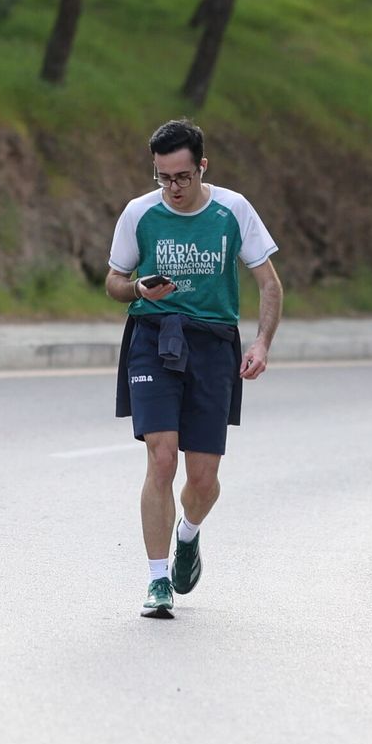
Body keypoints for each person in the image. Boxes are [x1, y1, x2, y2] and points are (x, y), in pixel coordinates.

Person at [105, 119, 283, 619]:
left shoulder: (234, 210)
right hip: (154, 337)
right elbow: (115, 280)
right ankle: (157, 580)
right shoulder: (139, 213)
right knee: (162, 459)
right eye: (163, 177)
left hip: (212, 344)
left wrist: (262, 343)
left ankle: (189, 534)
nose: (173, 188)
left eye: (182, 176)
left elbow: (270, 285)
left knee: (202, 479)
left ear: (202, 167)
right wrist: (139, 289)